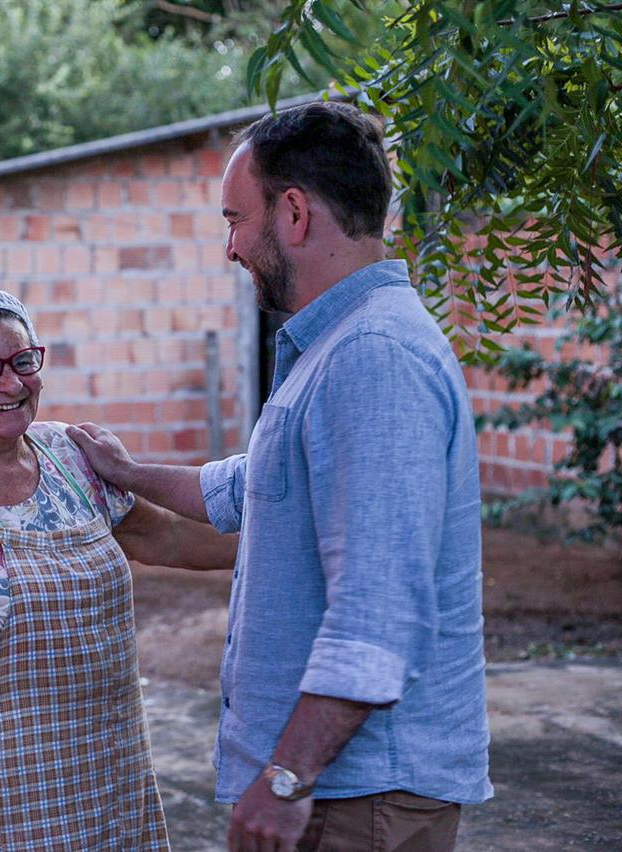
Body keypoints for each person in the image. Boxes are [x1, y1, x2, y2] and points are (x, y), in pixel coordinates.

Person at [70, 101, 492, 852]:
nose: (230, 247)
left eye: (235, 219)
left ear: (293, 213)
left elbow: (377, 609)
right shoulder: (337, 348)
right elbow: (251, 488)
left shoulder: (372, 358)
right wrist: (127, 471)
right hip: (346, 790)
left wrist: (288, 778)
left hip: (357, 795)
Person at [0, 289, 238, 850]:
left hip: (108, 778)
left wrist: (282, 547)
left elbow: (165, 535)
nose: (11, 383)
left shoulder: (72, 458)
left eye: (23, 361)